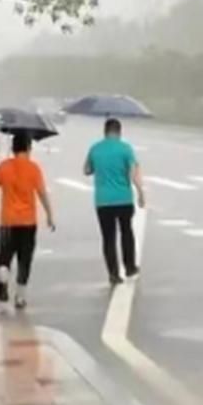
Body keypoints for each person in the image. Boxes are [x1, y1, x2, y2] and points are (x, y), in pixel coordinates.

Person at [0, 130, 56, 310]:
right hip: (28, 223)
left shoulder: (4, 166)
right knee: (24, 260)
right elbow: (42, 193)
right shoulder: (33, 168)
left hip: (7, 222)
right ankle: (20, 297)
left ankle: (3, 279)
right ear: (28, 148)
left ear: (12, 148)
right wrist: (49, 215)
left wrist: (2, 176)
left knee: (5, 256)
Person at [84, 117, 145, 285]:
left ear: (105, 131)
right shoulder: (126, 149)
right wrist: (140, 193)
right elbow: (133, 174)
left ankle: (113, 273)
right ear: (119, 132)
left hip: (103, 201)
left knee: (108, 237)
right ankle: (130, 266)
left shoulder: (95, 148)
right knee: (126, 232)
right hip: (124, 198)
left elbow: (87, 170)